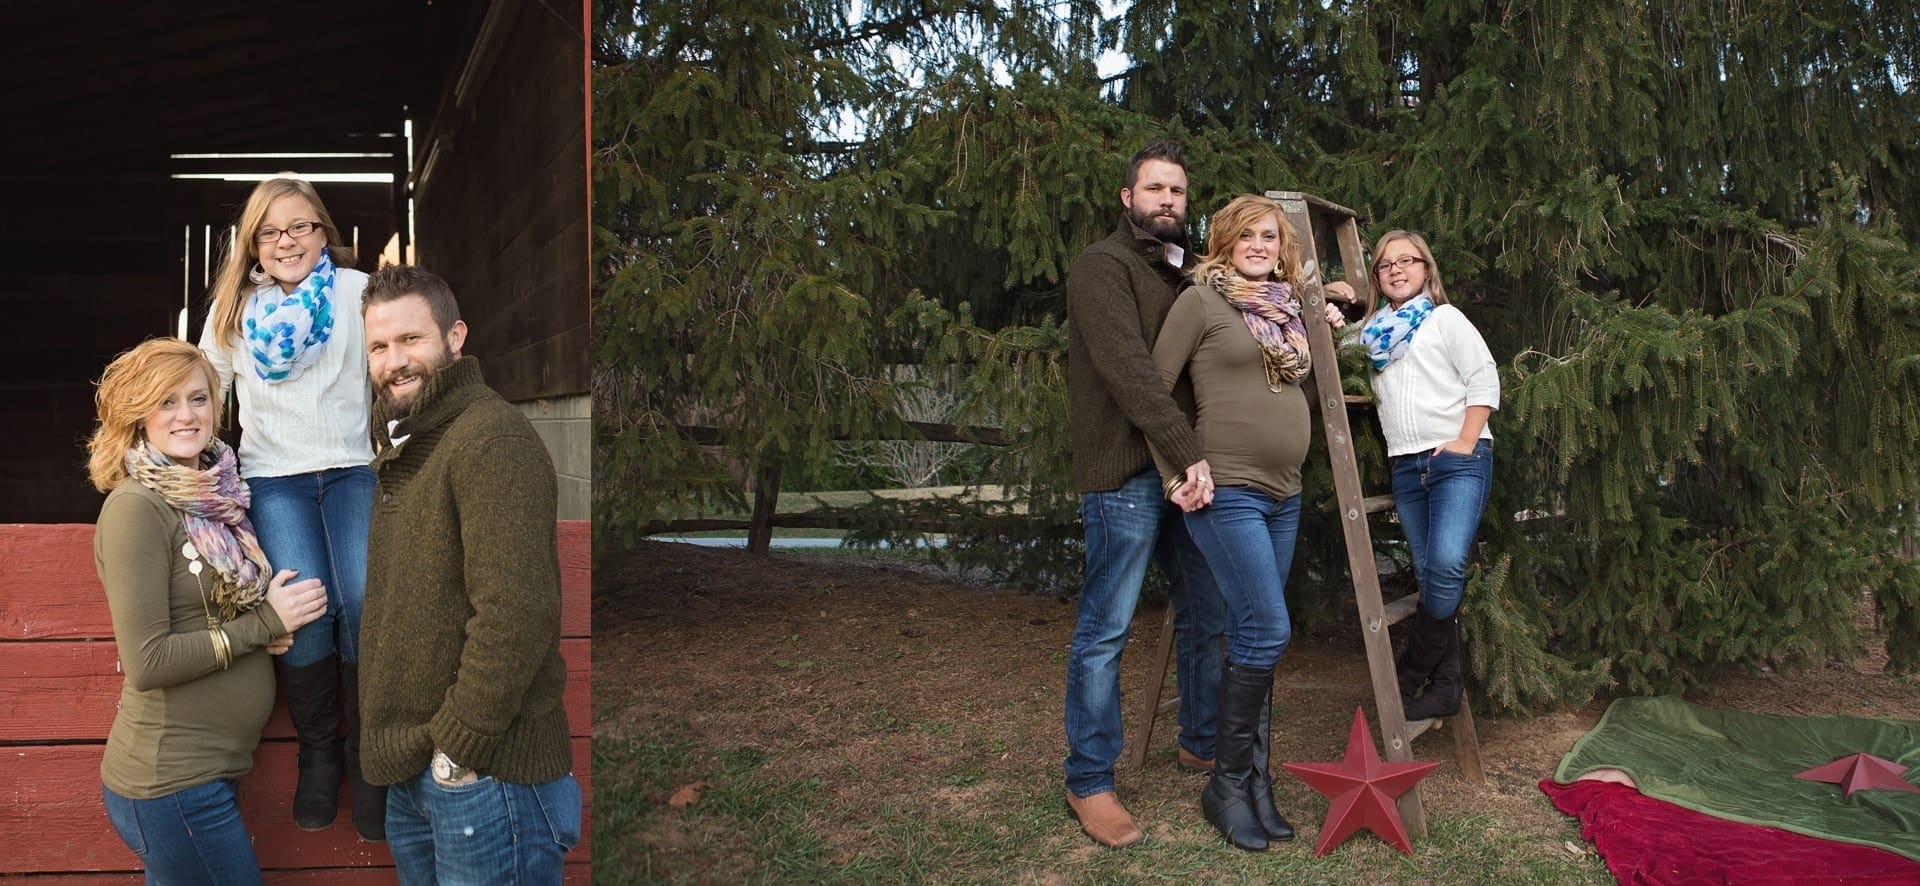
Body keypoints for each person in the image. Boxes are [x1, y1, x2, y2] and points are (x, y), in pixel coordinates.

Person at [356, 265, 581, 884]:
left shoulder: (489, 439)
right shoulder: (410, 445)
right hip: (424, 774)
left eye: (411, 340)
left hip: (486, 776)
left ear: (455, 337)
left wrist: (458, 748)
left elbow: (518, 610)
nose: (394, 361)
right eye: (379, 346)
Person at [88, 338, 330, 885]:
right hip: (171, 784)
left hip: (205, 777)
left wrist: (259, 633)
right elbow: (149, 661)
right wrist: (263, 625)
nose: (186, 415)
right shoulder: (137, 510)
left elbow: (210, 615)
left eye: (198, 398)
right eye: (166, 402)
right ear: (137, 416)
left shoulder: (218, 497)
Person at [1150, 194, 1341, 851]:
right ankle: (1225, 787)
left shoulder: (1287, 309)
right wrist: (1177, 471)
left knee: (1251, 634)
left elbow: (1303, 381)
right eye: (1247, 234)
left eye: (1270, 236)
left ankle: (1254, 782)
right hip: (1224, 489)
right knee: (1267, 629)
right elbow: (1154, 390)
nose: (1260, 244)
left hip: (1284, 494)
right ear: (1225, 240)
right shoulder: (1202, 301)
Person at [197, 175, 381, 837]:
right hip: (275, 476)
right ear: (253, 245)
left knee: (362, 596)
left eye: (300, 226)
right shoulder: (234, 309)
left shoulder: (362, 295)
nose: (287, 241)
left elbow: (397, 365)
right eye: (271, 231)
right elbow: (204, 386)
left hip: (354, 470)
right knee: (301, 602)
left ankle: (366, 757)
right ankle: (320, 752)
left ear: (322, 231)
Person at [1061, 140, 1229, 850]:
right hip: (1132, 471)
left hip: (1185, 476)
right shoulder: (1103, 266)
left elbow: (1260, 305)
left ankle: (1200, 743)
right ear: (1127, 199)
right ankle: (1089, 779)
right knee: (1106, 630)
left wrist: (1331, 299)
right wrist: (1190, 454)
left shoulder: (1193, 273)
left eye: (1178, 193)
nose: (1167, 201)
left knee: (1208, 612)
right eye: (1155, 190)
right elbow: (1131, 373)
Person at [1325, 230, 1498, 722]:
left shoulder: (1446, 319)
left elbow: (1484, 378)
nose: (1396, 270)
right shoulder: (1373, 334)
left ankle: (1408, 673)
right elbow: (1330, 341)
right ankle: (1445, 683)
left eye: (1407, 261)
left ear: (1426, 268)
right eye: (1385, 264)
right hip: (1406, 466)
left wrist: (1464, 441)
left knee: (1444, 567)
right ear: (1377, 276)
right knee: (1428, 576)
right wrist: (1331, 297)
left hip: (1457, 461)